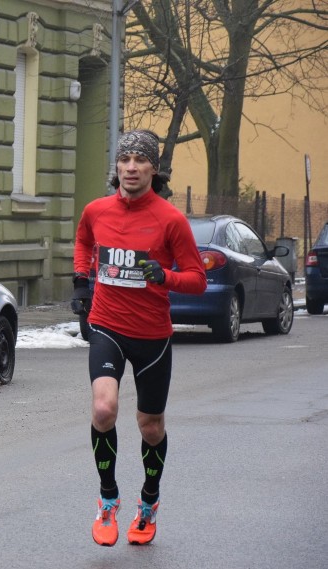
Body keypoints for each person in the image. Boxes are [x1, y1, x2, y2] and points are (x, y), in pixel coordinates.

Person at [71, 129, 207, 546]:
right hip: (107, 325)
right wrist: (81, 281)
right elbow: (83, 242)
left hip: (152, 336)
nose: (131, 167)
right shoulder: (96, 210)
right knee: (103, 409)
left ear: (154, 169)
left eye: (140, 160)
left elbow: (198, 280)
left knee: (150, 427)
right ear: (116, 168)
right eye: (124, 159)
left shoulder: (171, 220)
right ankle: (107, 498)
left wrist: (164, 276)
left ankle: (148, 502)